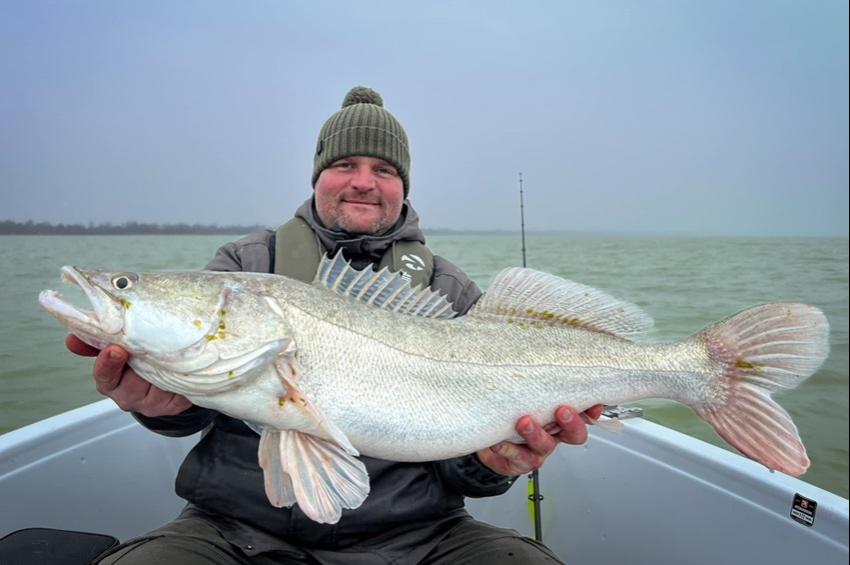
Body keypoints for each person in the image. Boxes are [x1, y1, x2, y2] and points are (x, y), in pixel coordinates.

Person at [66, 86, 603, 565]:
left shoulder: (451, 290)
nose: (364, 182)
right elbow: (191, 405)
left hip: (421, 535)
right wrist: (159, 409)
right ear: (318, 174)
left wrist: (497, 463)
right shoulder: (245, 265)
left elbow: (466, 467)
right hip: (232, 529)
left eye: (385, 170)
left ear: (403, 186)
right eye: (345, 164)